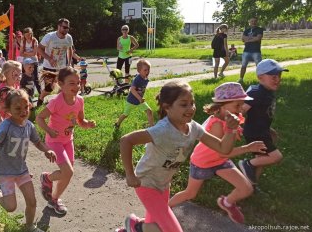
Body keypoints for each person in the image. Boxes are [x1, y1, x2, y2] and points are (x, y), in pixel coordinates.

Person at [117, 81, 240, 232]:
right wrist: (130, 174)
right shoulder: (162, 130)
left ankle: (136, 227)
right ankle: (135, 226)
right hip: (146, 183)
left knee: (154, 223)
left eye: (192, 103)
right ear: (167, 107)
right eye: (184, 104)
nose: (191, 108)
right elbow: (126, 141)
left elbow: (223, 148)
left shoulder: (193, 128)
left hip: (163, 185)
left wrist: (231, 130)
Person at [169, 82, 267, 224]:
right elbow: (224, 153)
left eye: (241, 105)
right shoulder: (216, 125)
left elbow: (230, 142)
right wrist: (248, 148)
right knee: (190, 193)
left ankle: (227, 202)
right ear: (222, 106)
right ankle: (166, 208)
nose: (241, 109)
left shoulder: (231, 118)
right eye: (237, 106)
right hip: (202, 162)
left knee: (246, 188)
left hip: (220, 162)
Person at [0, 89, 56, 232]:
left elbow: (37, 142)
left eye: (26, 107)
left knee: (32, 201)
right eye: (18, 108)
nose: (23, 111)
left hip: (21, 170)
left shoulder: (29, 126)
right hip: (6, 171)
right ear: (8, 109)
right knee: (11, 207)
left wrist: (47, 150)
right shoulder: (6, 126)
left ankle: (29, 226)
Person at [36, 67, 96, 215]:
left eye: (77, 83)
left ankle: (54, 199)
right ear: (61, 84)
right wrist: (49, 131)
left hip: (68, 140)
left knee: (67, 173)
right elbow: (39, 118)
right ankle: (47, 178)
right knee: (68, 171)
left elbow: (80, 121)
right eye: (71, 83)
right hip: (54, 141)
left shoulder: (80, 100)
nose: (76, 87)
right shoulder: (57, 101)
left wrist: (87, 124)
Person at [238, 59, 287, 190]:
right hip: (255, 133)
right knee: (276, 157)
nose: (277, 79)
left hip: (261, 130)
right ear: (260, 77)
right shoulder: (256, 92)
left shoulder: (267, 91)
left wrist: (268, 128)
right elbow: (241, 110)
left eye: (279, 76)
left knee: (261, 159)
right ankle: (247, 164)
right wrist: (234, 125)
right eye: (273, 76)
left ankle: (251, 185)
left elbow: (260, 113)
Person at [37, 18, 74, 105]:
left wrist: (69, 64)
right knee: (49, 89)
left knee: (63, 86)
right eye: (64, 27)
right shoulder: (50, 36)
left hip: (62, 67)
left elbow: (70, 49)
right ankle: (41, 98)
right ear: (58, 26)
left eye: (68, 28)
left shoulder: (69, 38)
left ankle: (58, 102)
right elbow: (39, 48)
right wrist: (49, 58)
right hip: (49, 67)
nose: (66, 30)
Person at [114, 59, 154, 129]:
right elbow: (132, 89)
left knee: (149, 111)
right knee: (125, 115)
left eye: (148, 70)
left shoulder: (145, 78)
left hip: (139, 101)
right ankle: (117, 123)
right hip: (131, 101)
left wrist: (140, 98)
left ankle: (152, 128)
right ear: (139, 71)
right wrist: (139, 98)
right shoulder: (137, 79)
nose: (147, 72)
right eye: (145, 70)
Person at [239, 17, 264, 83]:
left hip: (256, 51)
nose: (253, 22)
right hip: (246, 51)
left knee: (259, 66)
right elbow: (243, 39)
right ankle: (241, 79)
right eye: (252, 21)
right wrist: (252, 38)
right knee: (243, 66)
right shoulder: (246, 30)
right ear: (249, 22)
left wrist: (248, 39)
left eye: (255, 21)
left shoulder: (259, 29)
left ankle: (261, 80)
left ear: (256, 22)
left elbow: (258, 38)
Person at [19, 27, 40, 95]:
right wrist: (29, 54)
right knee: (25, 77)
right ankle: (25, 93)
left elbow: (34, 53)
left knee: (36, 77)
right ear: (24, 34)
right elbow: (21, 53)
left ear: (32, 34)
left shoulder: (34, 41)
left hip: (34, 61)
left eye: (30, 34)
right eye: (27, 34)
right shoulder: (23, 41)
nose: (28, 36)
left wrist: (26, 53)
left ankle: (41, 94)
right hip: (26, 62)